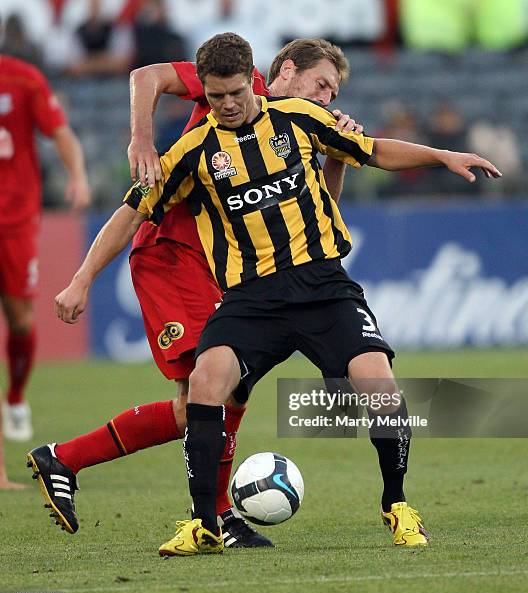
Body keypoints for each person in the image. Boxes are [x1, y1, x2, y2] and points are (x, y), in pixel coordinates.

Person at [119, 32, 498, 556]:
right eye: (216, 96)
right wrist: (82, 278)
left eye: (234, 93)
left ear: (251, 81)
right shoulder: (195, 149)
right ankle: (205, 523)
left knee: (378, 385)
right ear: (207, 92)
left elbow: (374, 151)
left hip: (323, 287)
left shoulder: (301, 120)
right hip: (252, 297)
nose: (227, 104)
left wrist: (440, 155)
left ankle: (397, 504)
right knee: (206, 382)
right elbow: (134, 209)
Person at [27, 38, 361, 547]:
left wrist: (334, 154)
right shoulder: (233, 85)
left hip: (224, 272)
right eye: (321, 85)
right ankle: (217, 516)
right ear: (286, 69)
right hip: (172, 256)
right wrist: (142, 141)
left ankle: (67, 460)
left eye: (333, 94)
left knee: (219, 393)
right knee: (216, 389)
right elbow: (146, 75)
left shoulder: (289, 128)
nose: (326, 100)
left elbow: (312, 226)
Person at [0, 29, 91, 462]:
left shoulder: (21, 79)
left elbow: (61, 134)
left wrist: (78, 176)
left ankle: (16, 396)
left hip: (15, 220)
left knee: (19, 320)